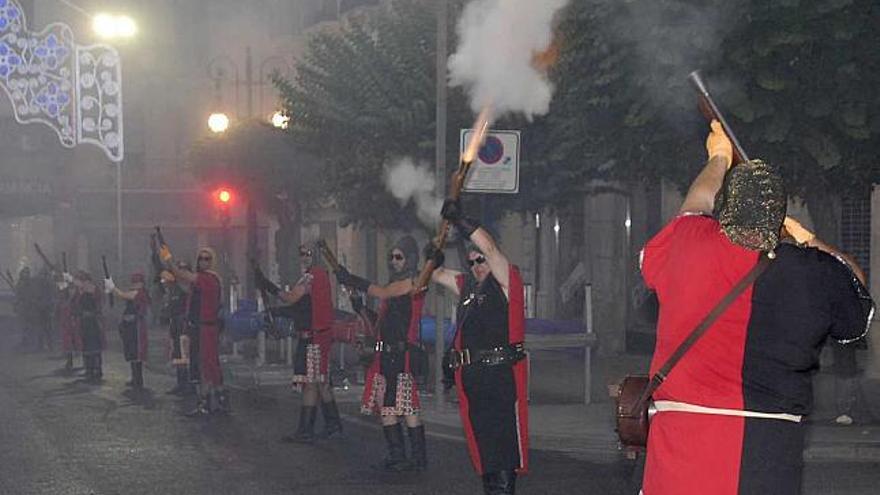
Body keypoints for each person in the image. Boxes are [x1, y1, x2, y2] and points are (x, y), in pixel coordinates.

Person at [638, 121, 874, 495]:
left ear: (727, 208)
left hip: (681, 441)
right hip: (768, 448)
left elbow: (694, 207)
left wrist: (717, 159)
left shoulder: (690, 243)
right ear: (779, 218)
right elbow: (856, 287)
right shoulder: (809, 270)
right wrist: (809, 239)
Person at [428, 201, 529, 495]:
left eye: (480, 260)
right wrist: (431, 255)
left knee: (502, 447)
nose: (477, 266)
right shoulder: (468, 287)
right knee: (484, 449)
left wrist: (462, 221)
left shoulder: (507, 282)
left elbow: (493, 250)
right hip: (473, 377)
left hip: (498, 375)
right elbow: (436, 275)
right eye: (472, 262)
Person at [335, 235, 429, 472]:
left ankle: (414, 457)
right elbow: (382, 322)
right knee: (391, 406)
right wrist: (360, 306)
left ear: (409, 258)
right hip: (386, 355)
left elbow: (383, 292)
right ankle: (400, 455)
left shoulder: (412, 282)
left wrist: (352, 279)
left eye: (399, 256)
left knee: (404, 406)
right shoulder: (397, 285)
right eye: (392, 257)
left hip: (401, 355)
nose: (394, 261)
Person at [257, 244, 342, 444]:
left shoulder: (312, 276)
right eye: (301, 253)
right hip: (318, 335)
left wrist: (269, 286)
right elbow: (300, 306)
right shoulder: (319, 275)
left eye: (308, 253)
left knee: (311, 383)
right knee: (320, 383)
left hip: (314, 337)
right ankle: (331, 424)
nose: (304, 257)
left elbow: (291, 297)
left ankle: (307, 429)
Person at [162, 245, 228, 416]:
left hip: (207, 327)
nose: (203, 261)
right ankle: (216, 401)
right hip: (201, 327)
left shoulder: (208, 278)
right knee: (207, 365)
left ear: (212, 262)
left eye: (207, 258)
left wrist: (168, 258)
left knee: (207, 365)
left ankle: (208, 403)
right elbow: (183, 284)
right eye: (201, 258)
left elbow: (181, 275)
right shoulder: (206, 279)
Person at [105, 272, 150, 389]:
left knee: (136, 351)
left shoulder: (140, 293)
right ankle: (134, 377)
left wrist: (113, 288)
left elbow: (123, 295)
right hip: (130, 326)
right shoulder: (136, 291)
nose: (135, 284)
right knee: (131, 351)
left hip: (137, 326)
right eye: (134, 282)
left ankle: (138, 379)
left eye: (137, 282)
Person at [160, 261, 193, 395]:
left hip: (185, 323)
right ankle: (181, 383)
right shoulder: (174, 288)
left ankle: (189, 384)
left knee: (186, 354)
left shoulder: (188, 287)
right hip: (175, 323)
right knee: (178, 354)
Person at [71, 271, 104, 383]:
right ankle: (89, 369)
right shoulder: (79, 291)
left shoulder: (91, 289)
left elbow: (96, 304)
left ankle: (97, 369)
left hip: (92, 321)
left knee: (94, 345)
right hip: (84, 322)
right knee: (86, 345)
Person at [56, 271, 79, 371]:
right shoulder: (63, 293)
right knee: (67, 342)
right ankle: (69, 360)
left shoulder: (76, 294)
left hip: (74, 320)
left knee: (77, 340)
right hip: (66, 321)